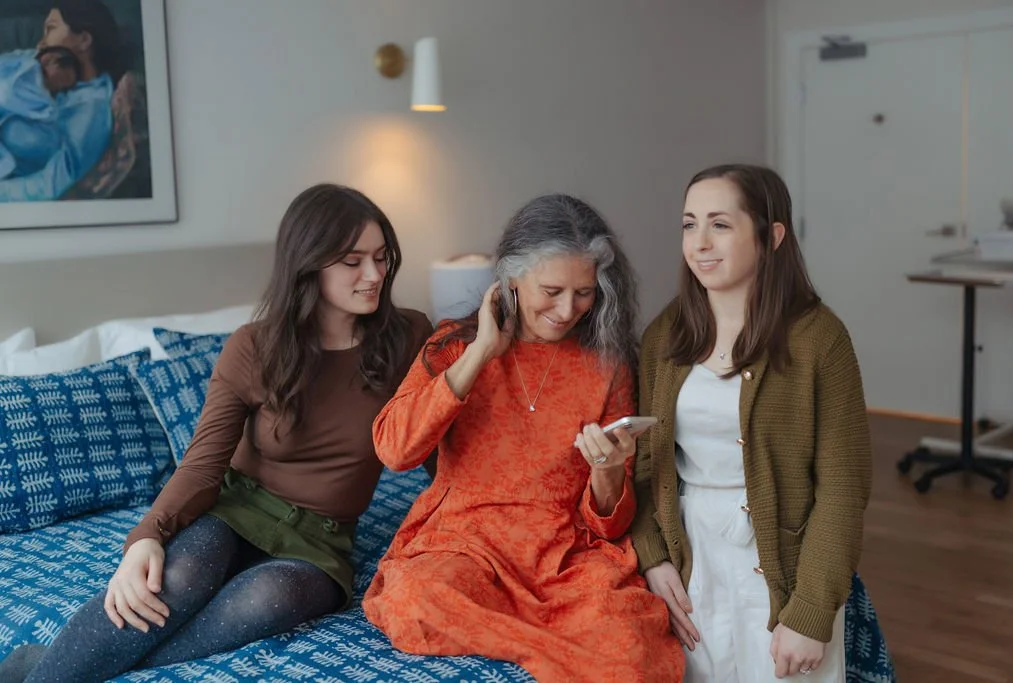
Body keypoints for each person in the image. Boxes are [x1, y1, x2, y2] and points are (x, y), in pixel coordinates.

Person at [0, 184, 434, 683]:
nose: (375, 275)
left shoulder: (409, 337)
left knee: (271, 600)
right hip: (233, 509)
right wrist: (146, 537)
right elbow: (204, 465)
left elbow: (435, 439)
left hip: (323, 538)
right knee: (176, 578)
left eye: (382, 258)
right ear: (309, 264)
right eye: (353, 261)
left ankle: (38, 666)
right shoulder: (254, 347)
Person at [363, 193, 685, 683]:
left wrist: (608, 470)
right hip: (464, 543)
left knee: (630, 637)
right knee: (414, 600)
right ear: (511, 278)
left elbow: (610, 526)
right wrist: (479, 354)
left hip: (563, 555)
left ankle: (544, 650)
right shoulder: (453, 345)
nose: (567, 309)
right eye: (552, 290)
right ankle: (557, 657)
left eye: (584, 292)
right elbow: (395, 449)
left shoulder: (608, 364)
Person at [632, 163, 878, 682]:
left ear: (772, 236)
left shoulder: (820, 340)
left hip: (785, 562)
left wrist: (811, 613)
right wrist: (653, 559)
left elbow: (842, 488)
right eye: (688, 224)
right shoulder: (666, 335)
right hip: (691, 560)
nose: (699, 242)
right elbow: (643, 464)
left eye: (720, 224)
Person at [0, 0, 121, 201]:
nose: (41, 42)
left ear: (83, 40)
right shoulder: (44, 60)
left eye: (51, 29)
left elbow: (50, 185)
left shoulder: (91, 110)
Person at [0, 46, 81, 179]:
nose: (62, 86)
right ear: (48, 60)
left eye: (66, 87)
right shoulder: (26, 68)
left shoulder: (53, 96)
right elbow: (7, 92)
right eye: (65, 76)